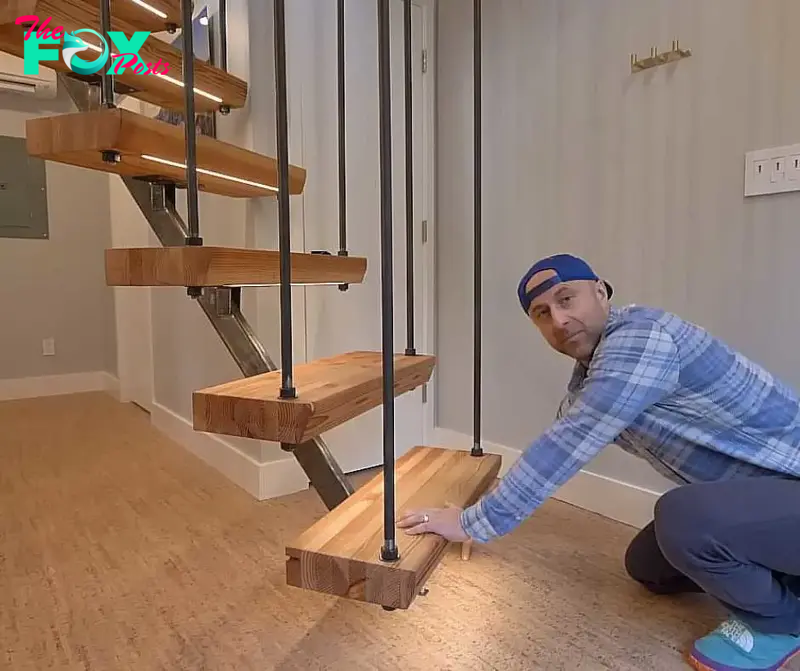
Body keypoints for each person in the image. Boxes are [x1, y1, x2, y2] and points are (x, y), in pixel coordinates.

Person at [397, 253, 800, 671]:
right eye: (542, 314)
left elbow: (569, 441)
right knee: (648, 564)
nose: (559, 321)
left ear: (602, 292)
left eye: (566, 299)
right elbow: (561, 436)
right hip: (776, 497)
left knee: (684, 519)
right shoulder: (593, 374)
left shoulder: (642, 337)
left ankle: (782, 624)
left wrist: (473, 523)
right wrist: (473, 506)